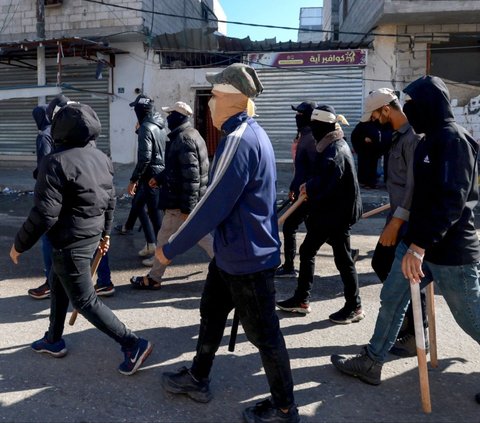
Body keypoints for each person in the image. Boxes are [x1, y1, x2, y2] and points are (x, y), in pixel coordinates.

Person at [157, 63, 300, 423]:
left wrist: (170, 247)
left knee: (266, 336)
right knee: (212, 314)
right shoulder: (251, 132)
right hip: (231, 253)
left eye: (214, 97)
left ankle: (285, 409)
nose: (209, 105)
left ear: (232, 100)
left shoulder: (238, 140)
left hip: (247, 259)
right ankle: (198, 377)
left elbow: (211, 205)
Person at [331, 77, 480, 401]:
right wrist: (410, 239)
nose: (407, 110)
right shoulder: (428, 139)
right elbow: (421, 196)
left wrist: (419, 246)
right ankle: (372, 361)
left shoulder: (454, 140)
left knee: (473, 320)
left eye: (411, 104)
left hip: (450, 252)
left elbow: (451, 202)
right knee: (392, 300)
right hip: (417, 245)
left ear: (429, 104)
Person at [10, 103, 152, 375]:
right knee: (58, 284)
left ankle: (133, 343)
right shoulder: (101, 158)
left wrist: (19, 245)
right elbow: (110, 201)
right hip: (89, 236)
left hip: (69, 243)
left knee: (85, 300)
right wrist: (106, 234)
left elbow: (44, 214)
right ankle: (53, 340)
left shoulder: (54, 162)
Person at [276, 104, 364, 323]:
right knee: (309, 252)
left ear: (323, 126)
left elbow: (329, 182)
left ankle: (355, 306)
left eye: (315, 126)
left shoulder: (335, 151)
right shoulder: (331, 144)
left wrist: (310, 187)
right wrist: (310, 185)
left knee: (342, 259)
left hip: (337, 214)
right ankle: (301, 299)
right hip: (329, 212)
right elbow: (323, 178)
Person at [361, 88, 425, 356]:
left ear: (386, 109)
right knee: (383, 263)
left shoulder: (414, 138)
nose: (374, 120)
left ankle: (415, 334)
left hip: (408, 220)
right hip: (398, 214)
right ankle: (406, 324)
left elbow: (414, 186)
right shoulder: (398, 137)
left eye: (376, 114)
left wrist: (397, 222)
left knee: (410, 275)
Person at [130, 101, 213, 288]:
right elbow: (178, 168)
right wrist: (159, 178)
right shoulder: (191, 134)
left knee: (164, 239)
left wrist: (187, 209)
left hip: (180, 204)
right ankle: (229, 267)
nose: (167, 118)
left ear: (179, 117)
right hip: (189, 201)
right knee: (203, 238)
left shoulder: (183, 139)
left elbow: (192, 178)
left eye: (171, 114)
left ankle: (154, 278)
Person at [118, 95, 167, 260]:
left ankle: (160, 253)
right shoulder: (159, 125)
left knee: (154, 214)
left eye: (135, 109)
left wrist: (133, 180)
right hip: (156, 172)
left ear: (141, 111)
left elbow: (145, 157)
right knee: (138, 205)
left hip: (150, 175)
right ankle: (151, 243)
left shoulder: (147, 127)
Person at [275, 101, 317, 278]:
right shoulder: (306, 134)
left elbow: (304, 168)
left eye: (300, 114)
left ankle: (289, 266)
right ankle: (347, 249)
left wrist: (295, 188)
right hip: (306, 189)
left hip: (306, 192)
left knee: (290, 226)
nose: (296, 117)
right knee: (314, 225)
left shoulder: (309, 137)